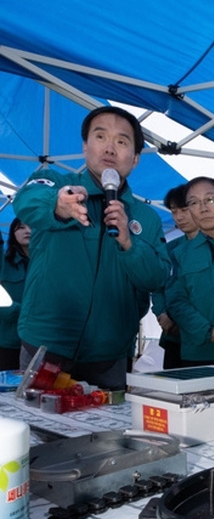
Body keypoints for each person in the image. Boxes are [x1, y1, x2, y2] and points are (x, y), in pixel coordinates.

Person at [12, 106, 171, 390]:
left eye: (122, 141)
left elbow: (157, 277)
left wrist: (128, 243)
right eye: (100, 137)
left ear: (134, 159)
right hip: (46, 345)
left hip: (109, 356)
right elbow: (26, 201)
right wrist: (58, 206)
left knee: (106, 433)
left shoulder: (145, 218)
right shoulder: (58, 184)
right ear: (85, 146)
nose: (110, 148)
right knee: (37, 429)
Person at [167, 177, 214, 366]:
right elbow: (176, 301)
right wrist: (207, 331)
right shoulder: (179, 254)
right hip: (197, 353)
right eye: (194, 203)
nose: (203, 208)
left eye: (210, 200)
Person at [151, 185, 198, 369]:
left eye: (184, 210)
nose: (179, 217)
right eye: (174, 211)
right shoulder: (170, 249)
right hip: (172, 338)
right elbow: (158, 285)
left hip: (205, 341)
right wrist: (161, 313)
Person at [0, 218, 31, 369]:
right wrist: (21, 310)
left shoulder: (46, 264)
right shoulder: (4, 263)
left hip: (38, 339)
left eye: (31, 226)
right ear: (13, 234)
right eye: (21, 228)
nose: (27, 231)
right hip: (8, 339)